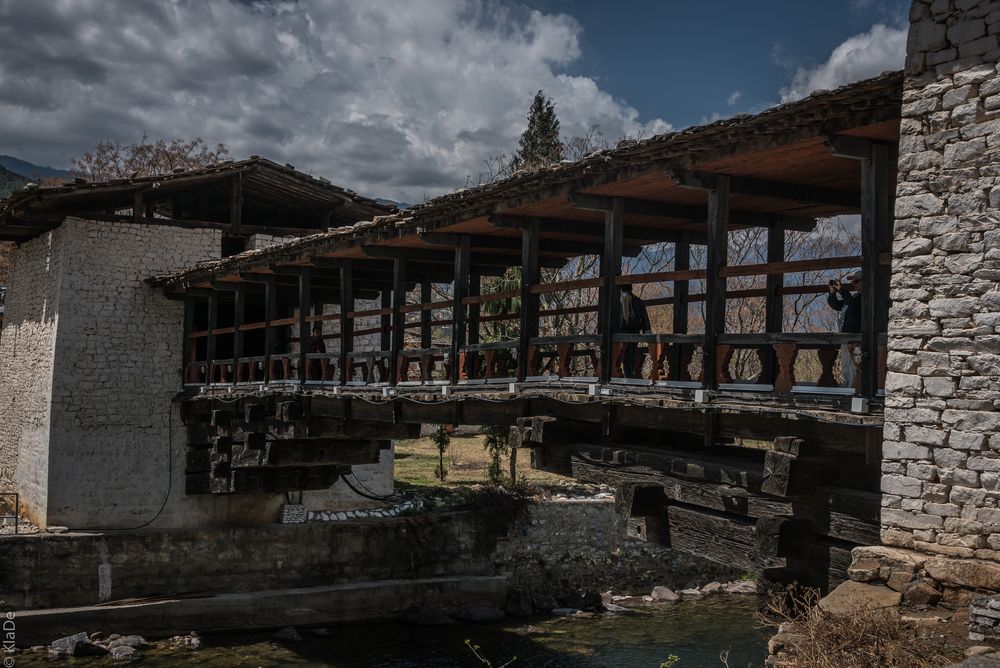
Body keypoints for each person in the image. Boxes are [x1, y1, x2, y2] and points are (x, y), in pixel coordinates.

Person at [827, 271, 862, 388]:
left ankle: (857, 387)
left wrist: (841, 290)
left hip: (858, 341)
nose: (854, 284)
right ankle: (849, 386)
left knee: (857, 364)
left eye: (856, 281)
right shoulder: (854, 297)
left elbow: (852, 304)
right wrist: (832, 293)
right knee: (846, 364)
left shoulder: (866, 296)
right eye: (853, 282)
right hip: (847, 338)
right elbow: (837, 305)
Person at [619, 284, 651, 378]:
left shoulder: (619, 301)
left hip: (621, 334)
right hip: (633, 333)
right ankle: (629, 374)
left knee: (623, 355)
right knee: (630, 355)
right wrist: (647, 331)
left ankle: (627, 375)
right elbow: (644, 318)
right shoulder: (638, 302)